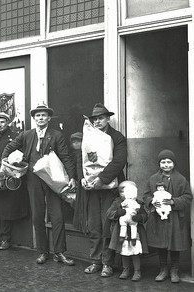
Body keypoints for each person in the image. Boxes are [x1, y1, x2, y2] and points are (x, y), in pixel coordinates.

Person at [2, 104, 76, 265]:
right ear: (34, 119)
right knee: (37, 216)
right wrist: (6, 162)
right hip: (33, 179)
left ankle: (59, 252)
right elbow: (9, 147)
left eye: (44, 115)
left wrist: (72, 177)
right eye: (38, 116)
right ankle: (43, 252)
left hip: (53, 179)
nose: (41, 118)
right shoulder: (26, 135)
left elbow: (66, 157)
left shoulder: (56, 135)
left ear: (49, 118)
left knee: (58, 216)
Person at [81, 103, 127, 277]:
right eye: (94, 119)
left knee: (107, 224)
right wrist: (84, 179)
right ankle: (95, 261)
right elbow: (83, 159)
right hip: (92, 188)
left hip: (110, 188)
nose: (97, 121)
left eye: (101, 118)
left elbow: (119, 161)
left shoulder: (117, 137)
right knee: (94, 225)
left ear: (108, 118)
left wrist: (101, 179)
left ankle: (107, 263)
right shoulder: (89, 137)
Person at [143, 149, 192, 283]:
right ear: (159, 164)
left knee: (175, 244)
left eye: (169, 162)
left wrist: (173, 201)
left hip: (176, 218)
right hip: (160, 217)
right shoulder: (153, 179)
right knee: (162, 245)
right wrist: (152, 201)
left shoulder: (181, 179)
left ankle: (174, 270)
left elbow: (188, 197)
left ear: (174, 164)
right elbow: (146, 196)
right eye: (163, 162)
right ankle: (163, 269)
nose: (166, 165)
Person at [0, 112, 28, 251]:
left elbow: (20, 155)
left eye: (2, 122)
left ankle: (5, 240)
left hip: (9, 178)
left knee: (7, 210)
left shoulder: (14, 137)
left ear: (8, 122)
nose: (0, 125)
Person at [107, 181, 148, 282]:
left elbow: (145, 216)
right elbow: (109, 213)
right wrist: (117, 213)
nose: (125, 194)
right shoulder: (117, 203)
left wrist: (140, 217)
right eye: (122, 192)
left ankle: (137, 271)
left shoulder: (139, 204)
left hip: (135, 231)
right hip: (122, 232)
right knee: (124, 252)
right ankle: (125, 270)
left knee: (135, 252)